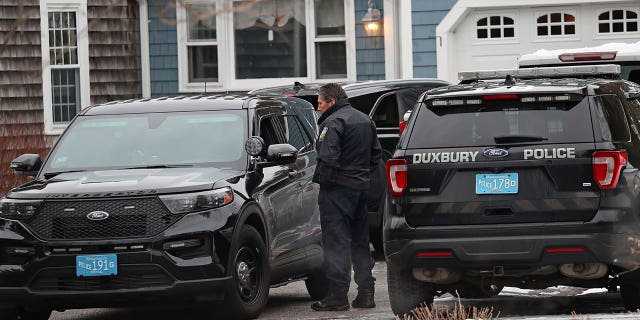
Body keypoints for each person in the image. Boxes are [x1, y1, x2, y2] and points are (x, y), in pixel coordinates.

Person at [311, 83, 382, 311]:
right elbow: (376, 156)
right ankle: (366, 293)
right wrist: (359, 177)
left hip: (337, 191)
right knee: (360, 242)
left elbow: (328, 158)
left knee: (336, 243)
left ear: (331, 102)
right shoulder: (364, 119)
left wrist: (328, 183)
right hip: (360, 189)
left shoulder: (333, 122)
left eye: (320, 103)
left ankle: (337, 297)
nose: (318, 107)